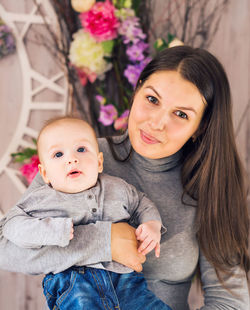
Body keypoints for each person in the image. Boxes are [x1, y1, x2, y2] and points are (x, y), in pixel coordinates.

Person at [0, 45, 249, 310]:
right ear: (137, 90)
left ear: (200, 127)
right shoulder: (76, 157)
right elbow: (5, 249)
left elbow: (230, 301)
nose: (156, 123)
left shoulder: (208, 185)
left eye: (181, 114)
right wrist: (103, 241)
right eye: (152, 99)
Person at [1, 117, 172, 310]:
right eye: (58, 154)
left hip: (125, 282)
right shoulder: (41, 198)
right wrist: (49, 231)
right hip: (73, 282)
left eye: (81, 150)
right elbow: (11, 225)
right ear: (45, 174)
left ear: (99, 162)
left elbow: (140, 202)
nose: (72, 159)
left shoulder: (118, 188)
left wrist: (152, 223)